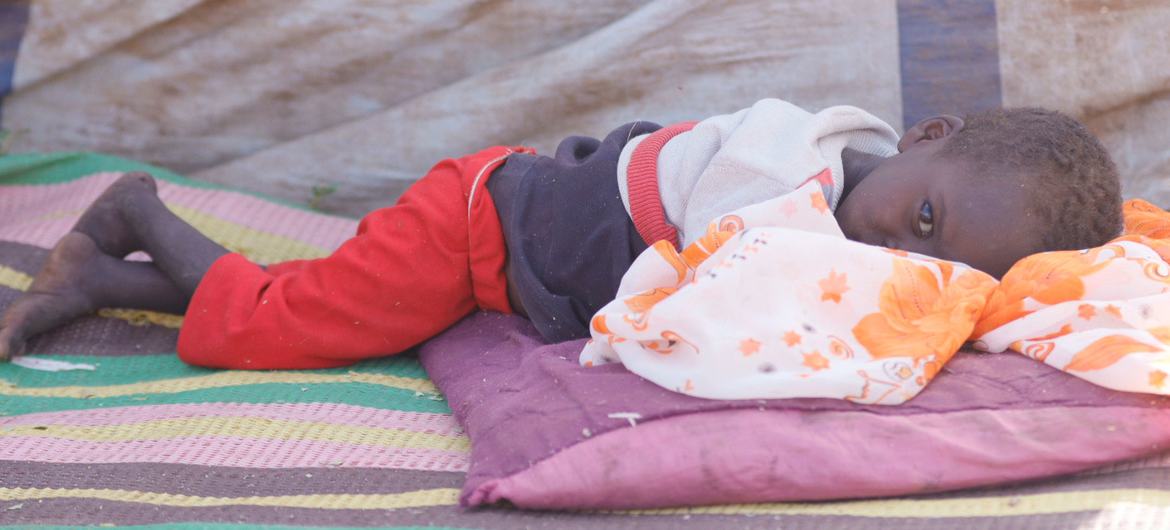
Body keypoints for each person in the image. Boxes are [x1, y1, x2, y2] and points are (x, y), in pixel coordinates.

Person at [0, 100, 1123, 369]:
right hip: (470, 232)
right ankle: (136, 213)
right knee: (291, 325)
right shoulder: (788, 165)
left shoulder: (853, 219)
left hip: (501, 254)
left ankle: (110, 273)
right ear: (923, 136)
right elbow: (743, 299)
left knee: (323, 294)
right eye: (920, 218)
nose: (901, 255)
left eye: (935, 263)